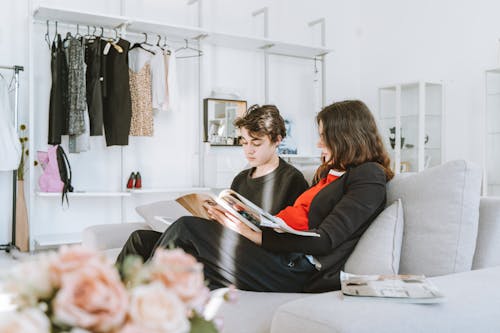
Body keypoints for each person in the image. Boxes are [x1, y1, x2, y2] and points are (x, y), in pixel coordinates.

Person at [118, 100, 393, 293]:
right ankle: (95, 313)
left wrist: (254, 235)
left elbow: (325, 240)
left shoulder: (368, 176)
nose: (319, 143)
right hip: (274, 252)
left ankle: (139, 313)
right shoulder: (331, 173)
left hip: (297, 268)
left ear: (347, 136)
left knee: (186, 229)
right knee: (142, 239)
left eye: (324, 136)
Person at [116, 104, 309, 263]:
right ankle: (108, 303)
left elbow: (289, 236)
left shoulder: (292, 180)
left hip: (255, 253)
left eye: (256, 143)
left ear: (277, 140)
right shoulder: (241, 179)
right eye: (244, 142)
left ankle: (146, 295)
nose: (248, 150)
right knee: (139, 238)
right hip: (226, 240)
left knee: (185, 227)